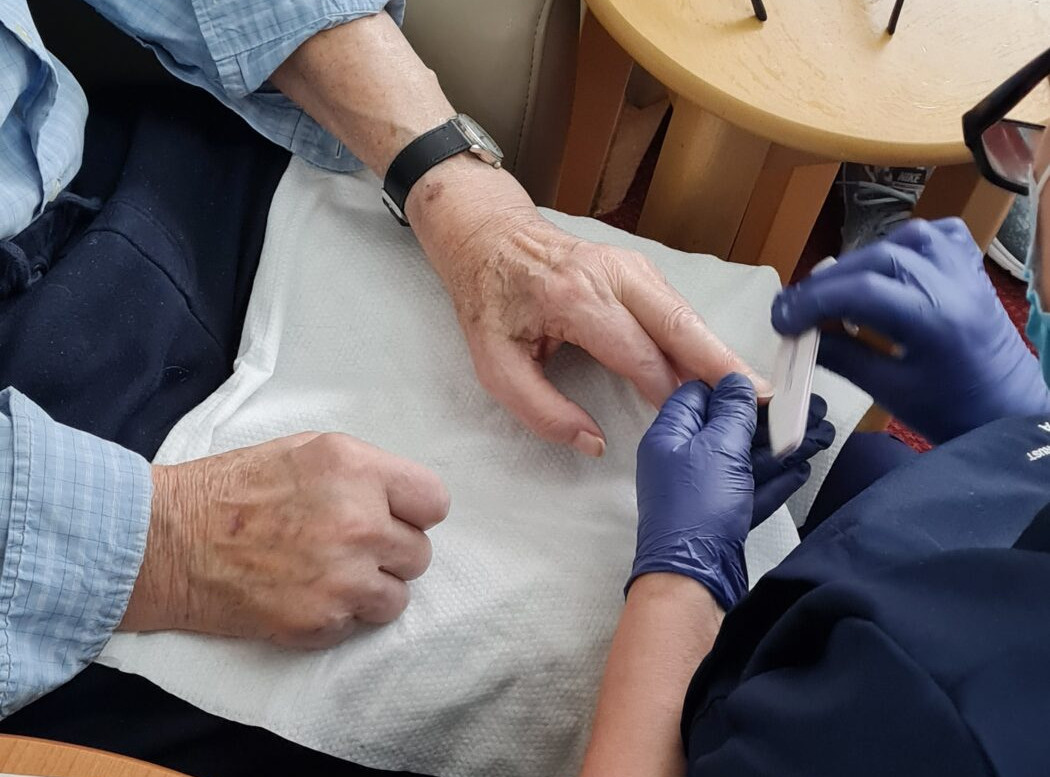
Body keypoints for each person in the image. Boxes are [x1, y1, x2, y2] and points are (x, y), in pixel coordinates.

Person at [0, 0, 773, 735]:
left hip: (134, 173)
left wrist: (466, 198)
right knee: (643, 683)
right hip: (68, 484)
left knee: (725, 339)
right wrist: (169, 545)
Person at [579, 46, 1050, 777]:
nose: (1029, 163)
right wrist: (1025, 427)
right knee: (870, 463)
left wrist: (679, 575)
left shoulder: (933, 707)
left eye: (1038, 170)